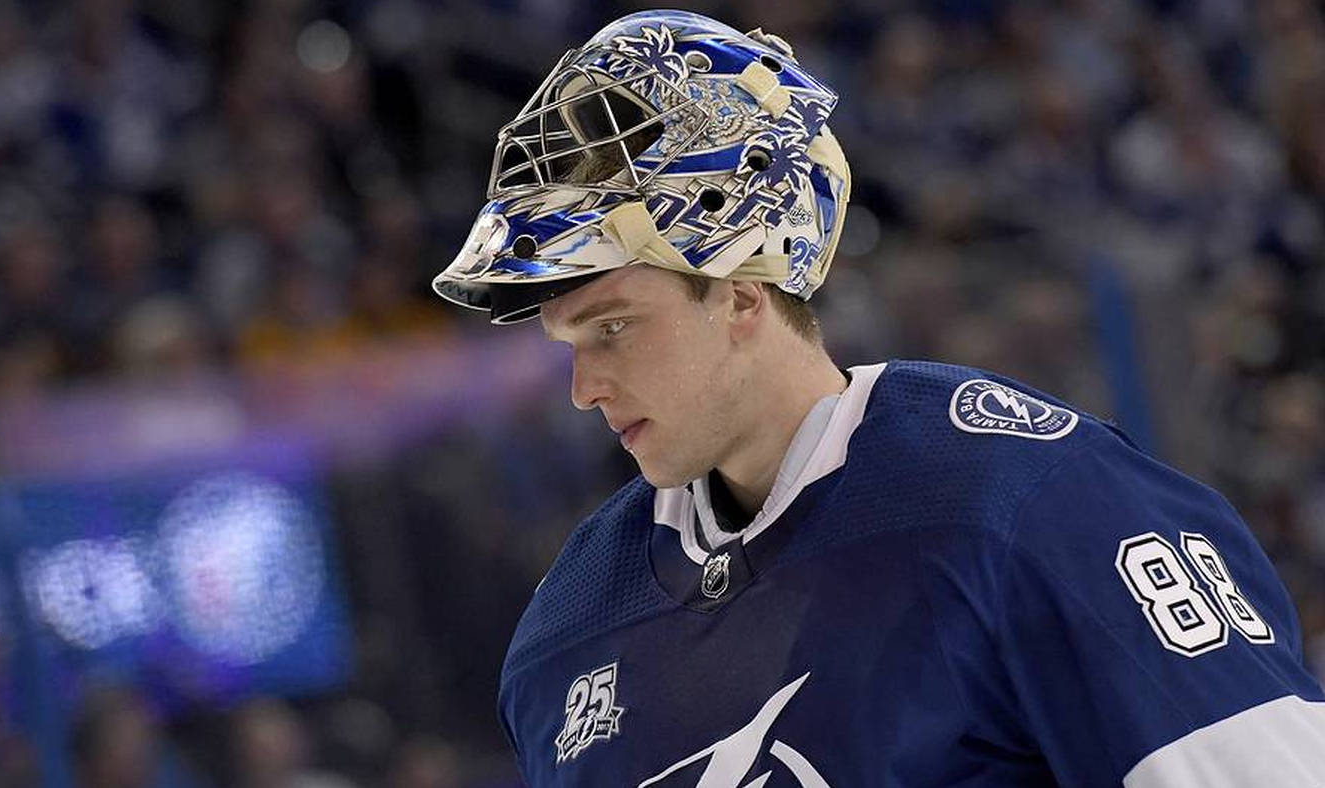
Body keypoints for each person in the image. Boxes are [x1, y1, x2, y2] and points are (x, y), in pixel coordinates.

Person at [432, 10, 1325, 786]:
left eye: (614, 327)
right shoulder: (565, 634)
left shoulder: (1031, 505)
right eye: (568, 344)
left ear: (741, 291)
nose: (584, 390)